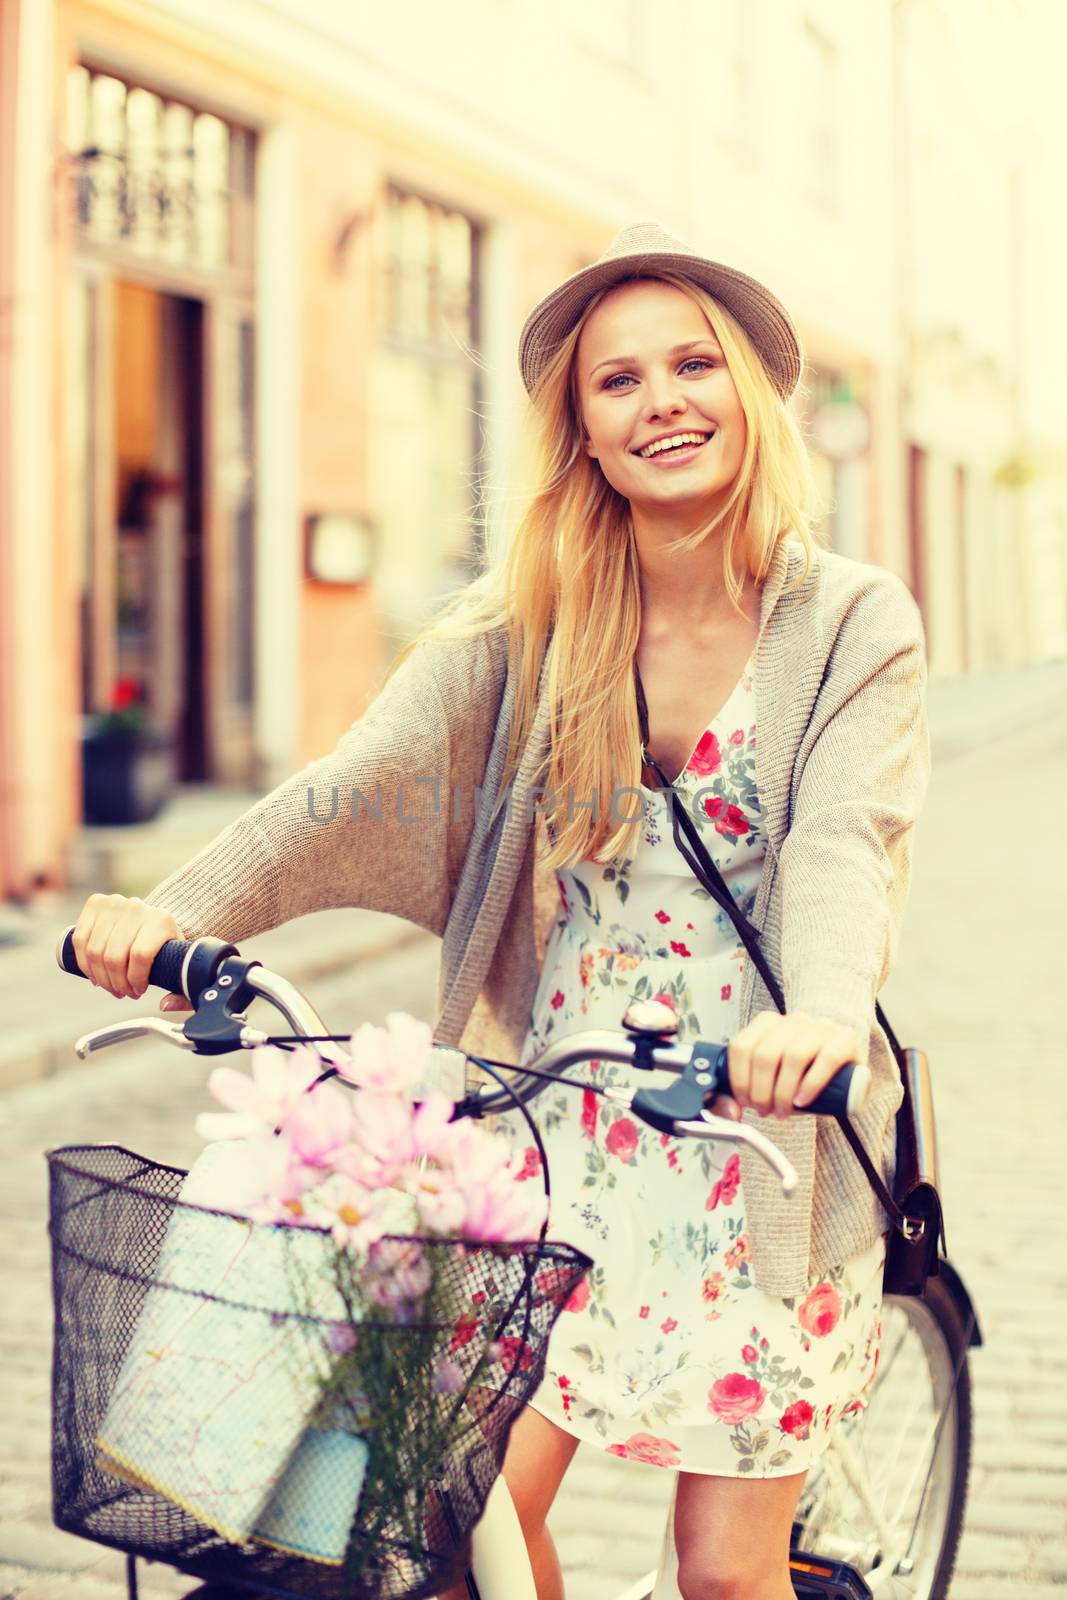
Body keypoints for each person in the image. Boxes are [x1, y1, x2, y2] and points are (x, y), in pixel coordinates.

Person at [70, 220, 931, 1600]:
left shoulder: (848, 621)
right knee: (430, 1508)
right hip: (552, 1125)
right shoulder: (530, 620)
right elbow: (357, 789)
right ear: (582, 431)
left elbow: (843, 842)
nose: (664, 403)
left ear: (753, 398)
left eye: (692, 365)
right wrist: (165, 914)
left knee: (722, 1573)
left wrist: (822, 1017)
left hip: (757, 1128)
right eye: (620, 381)